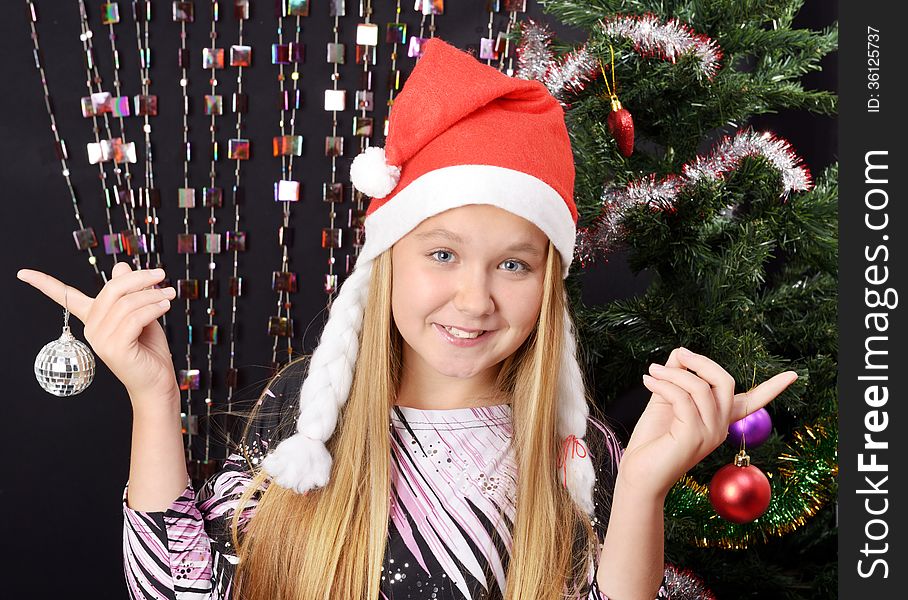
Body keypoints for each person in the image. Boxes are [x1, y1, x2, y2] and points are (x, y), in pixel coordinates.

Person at [17, 37, 798, 600]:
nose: (475, 300)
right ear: (386, 261)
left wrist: (642, 492)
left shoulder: (573, 450)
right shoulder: (307, 422)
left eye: (514, 264)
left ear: (549, 284)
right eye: (443, 255)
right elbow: (181, 592)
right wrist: (153, 400)